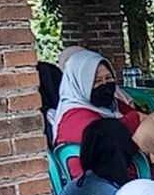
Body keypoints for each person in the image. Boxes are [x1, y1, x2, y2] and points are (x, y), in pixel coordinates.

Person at [52, 49, 143, 178]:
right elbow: (110, 136)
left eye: (109, 78)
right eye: (97, 82)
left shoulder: (111, 105)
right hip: (99, 183)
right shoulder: (74, 117)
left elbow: (136, 115)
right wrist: (136, 119)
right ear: (80, 84)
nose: (105, 84)